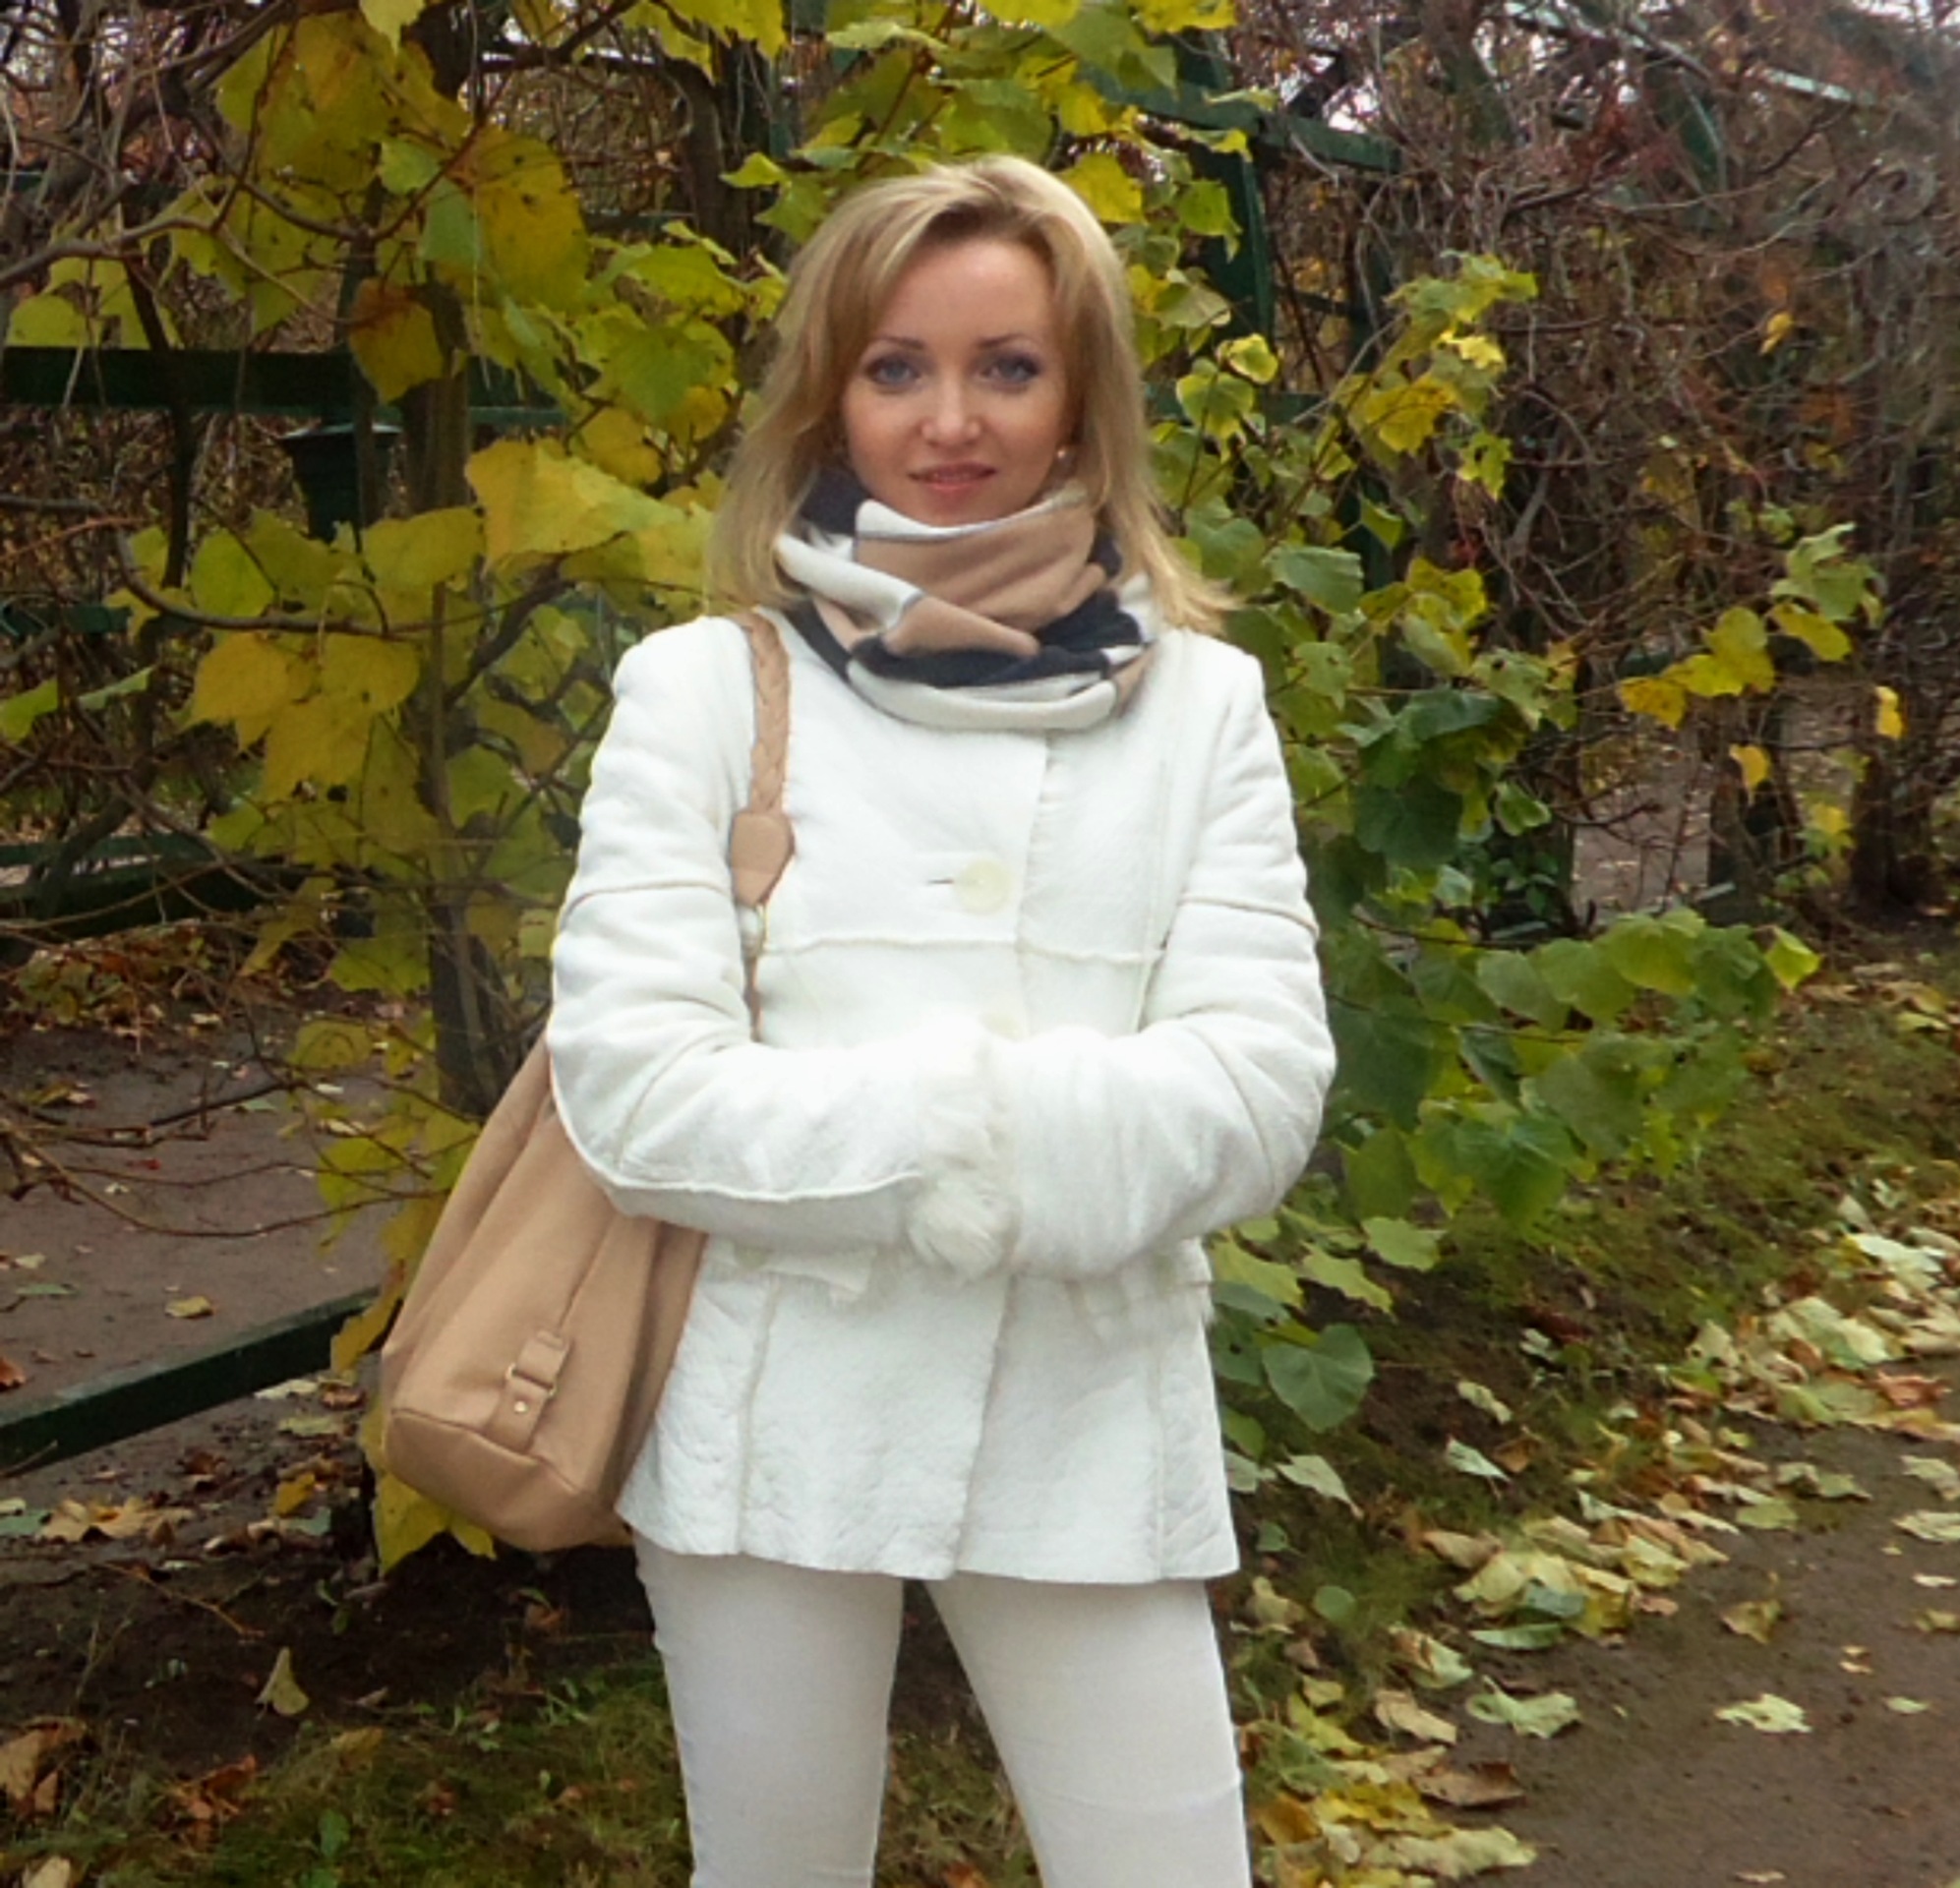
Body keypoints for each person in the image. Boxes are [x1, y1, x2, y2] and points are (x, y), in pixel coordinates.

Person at [545, 155, 1336, 1888]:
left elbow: (1262, 1088)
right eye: (897, 366)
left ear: (1082, 398)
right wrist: (999, 1142)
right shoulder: (701, 690)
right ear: (831, 393)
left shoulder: (1205, 708)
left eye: (1009, 366)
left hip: (1086, 1403)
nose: (951, 420)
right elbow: (638, 1097)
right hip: (770, 1421)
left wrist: (928, 1139)